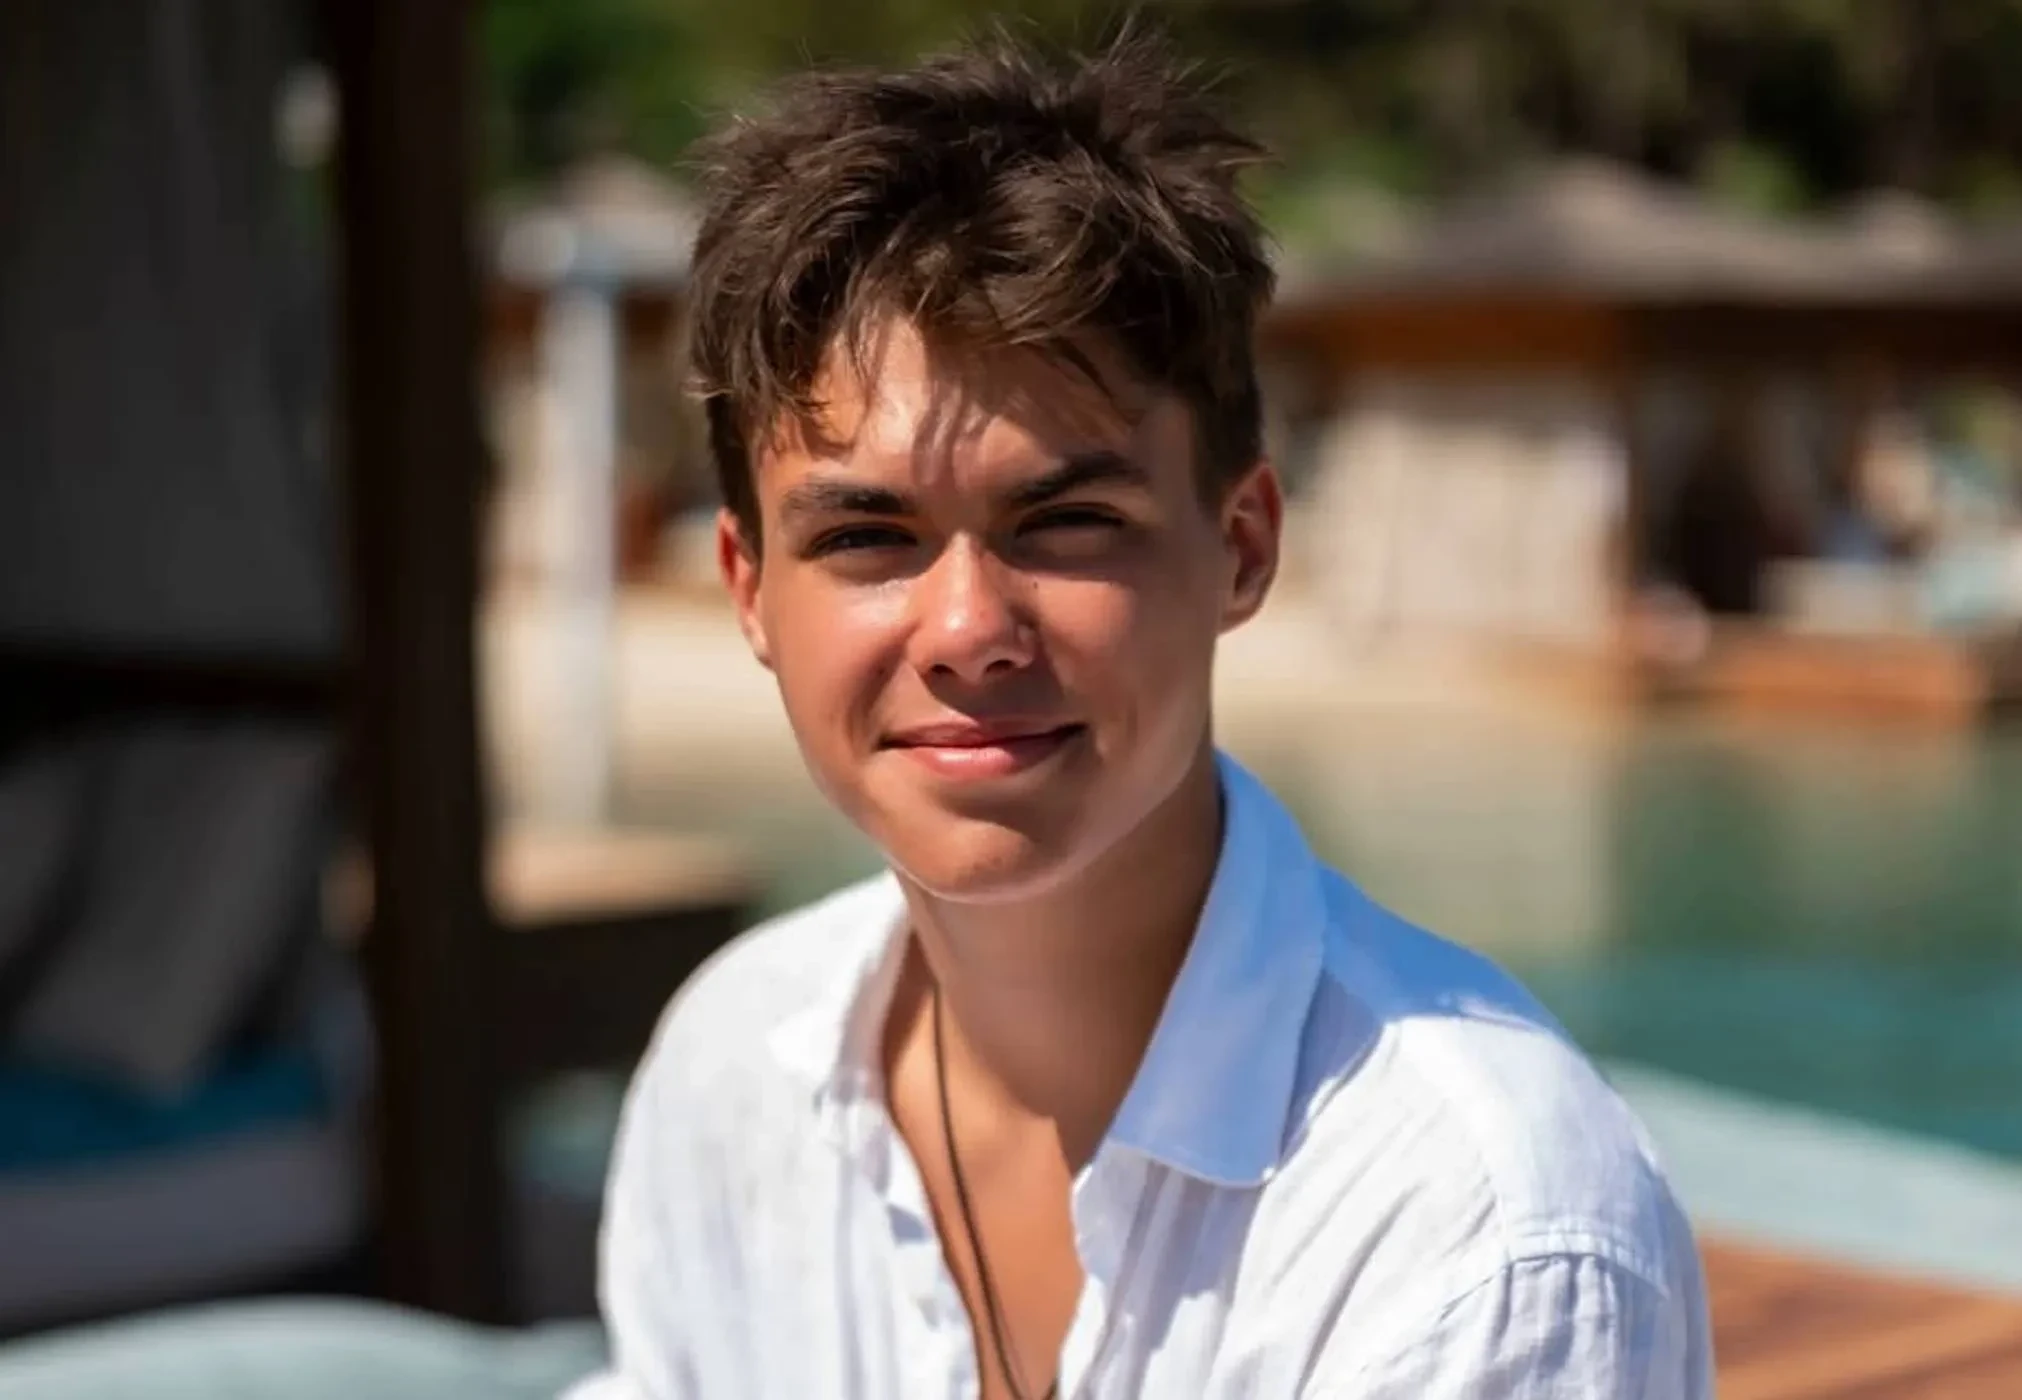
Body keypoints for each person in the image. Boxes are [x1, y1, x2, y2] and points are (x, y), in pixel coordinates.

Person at [567, 29, 1711, 1400]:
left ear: (1241, 548)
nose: (968, 630)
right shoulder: (738, 1072)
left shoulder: (1474, 1237)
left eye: (1067, 523)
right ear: (751, 589)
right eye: (867, 538)